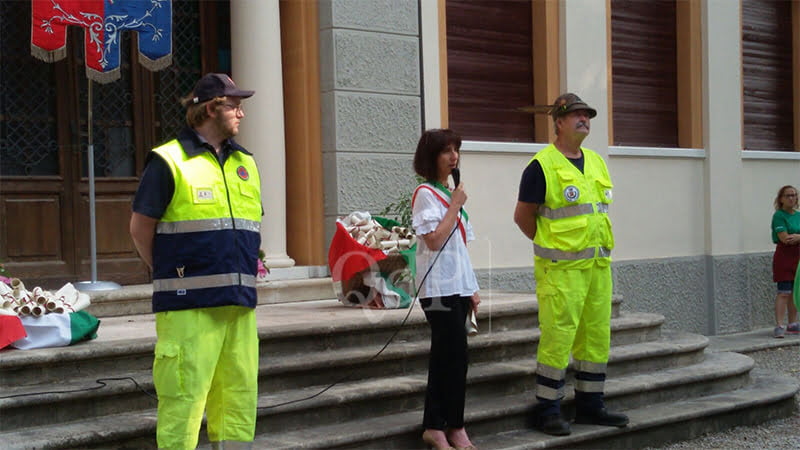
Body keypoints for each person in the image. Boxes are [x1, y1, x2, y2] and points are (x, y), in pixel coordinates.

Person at [129, 73, 261, 449]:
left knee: (237, 402)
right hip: (189, 307)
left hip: (238, 305)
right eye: (234, 106)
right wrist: (167, 273)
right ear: (211, 109)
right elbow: (140, 228)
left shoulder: (245, 163)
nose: (241, 113)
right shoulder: (169, 160)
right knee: (183, 403)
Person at [513, 93, 628, 436]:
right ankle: (548, 409)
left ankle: (591, 405)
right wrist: (551, 246)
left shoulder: (596, 162)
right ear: (559, 122)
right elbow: (523, 217)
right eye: (577, 115)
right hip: (560, 272)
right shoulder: (541, 166)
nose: (584, 120)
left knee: (595, 337)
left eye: (587, 115)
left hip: (597, 270)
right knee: (558, 337)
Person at [412, 128, 481, 450]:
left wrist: (472, 288)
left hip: (457, 286)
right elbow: (435, 240)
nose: (454, 157)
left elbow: (459, 248)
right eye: (446, 151)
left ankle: (453, 424)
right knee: (446, 356)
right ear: (432, 157)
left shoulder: (447, 192)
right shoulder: (426, 193)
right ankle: (436, 426)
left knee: (457, 357)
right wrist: (454, 205)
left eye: (456, 150)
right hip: (438, 287)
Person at [770, 185, 800, 338]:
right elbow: (785, 238)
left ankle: (793, 323)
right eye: (788, 195)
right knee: (784, 292)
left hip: (798, 258)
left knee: (795, 292)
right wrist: (796, 237)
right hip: (784, 257)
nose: (791, 198)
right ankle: (779, 325)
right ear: (781, 199)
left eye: (794, 195)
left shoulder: (799, 215)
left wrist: (798, 237)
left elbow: (794, 238)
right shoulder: (779, 216)